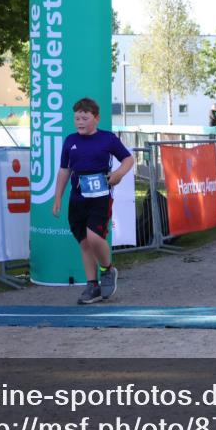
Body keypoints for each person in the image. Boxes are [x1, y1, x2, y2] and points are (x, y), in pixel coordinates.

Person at [52, 98, 135, 304]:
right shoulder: (70, 140)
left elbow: (128, 159)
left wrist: (119, 174)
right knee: (84, 243)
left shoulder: (107, 139)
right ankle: (93, 286)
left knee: (95, 238)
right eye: (77, 118)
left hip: (100, 198)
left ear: (96, 119)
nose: (80, 122)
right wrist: (58, 197)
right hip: (77, 198)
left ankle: (107, 269)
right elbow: (64, 170)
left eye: (85, 118)